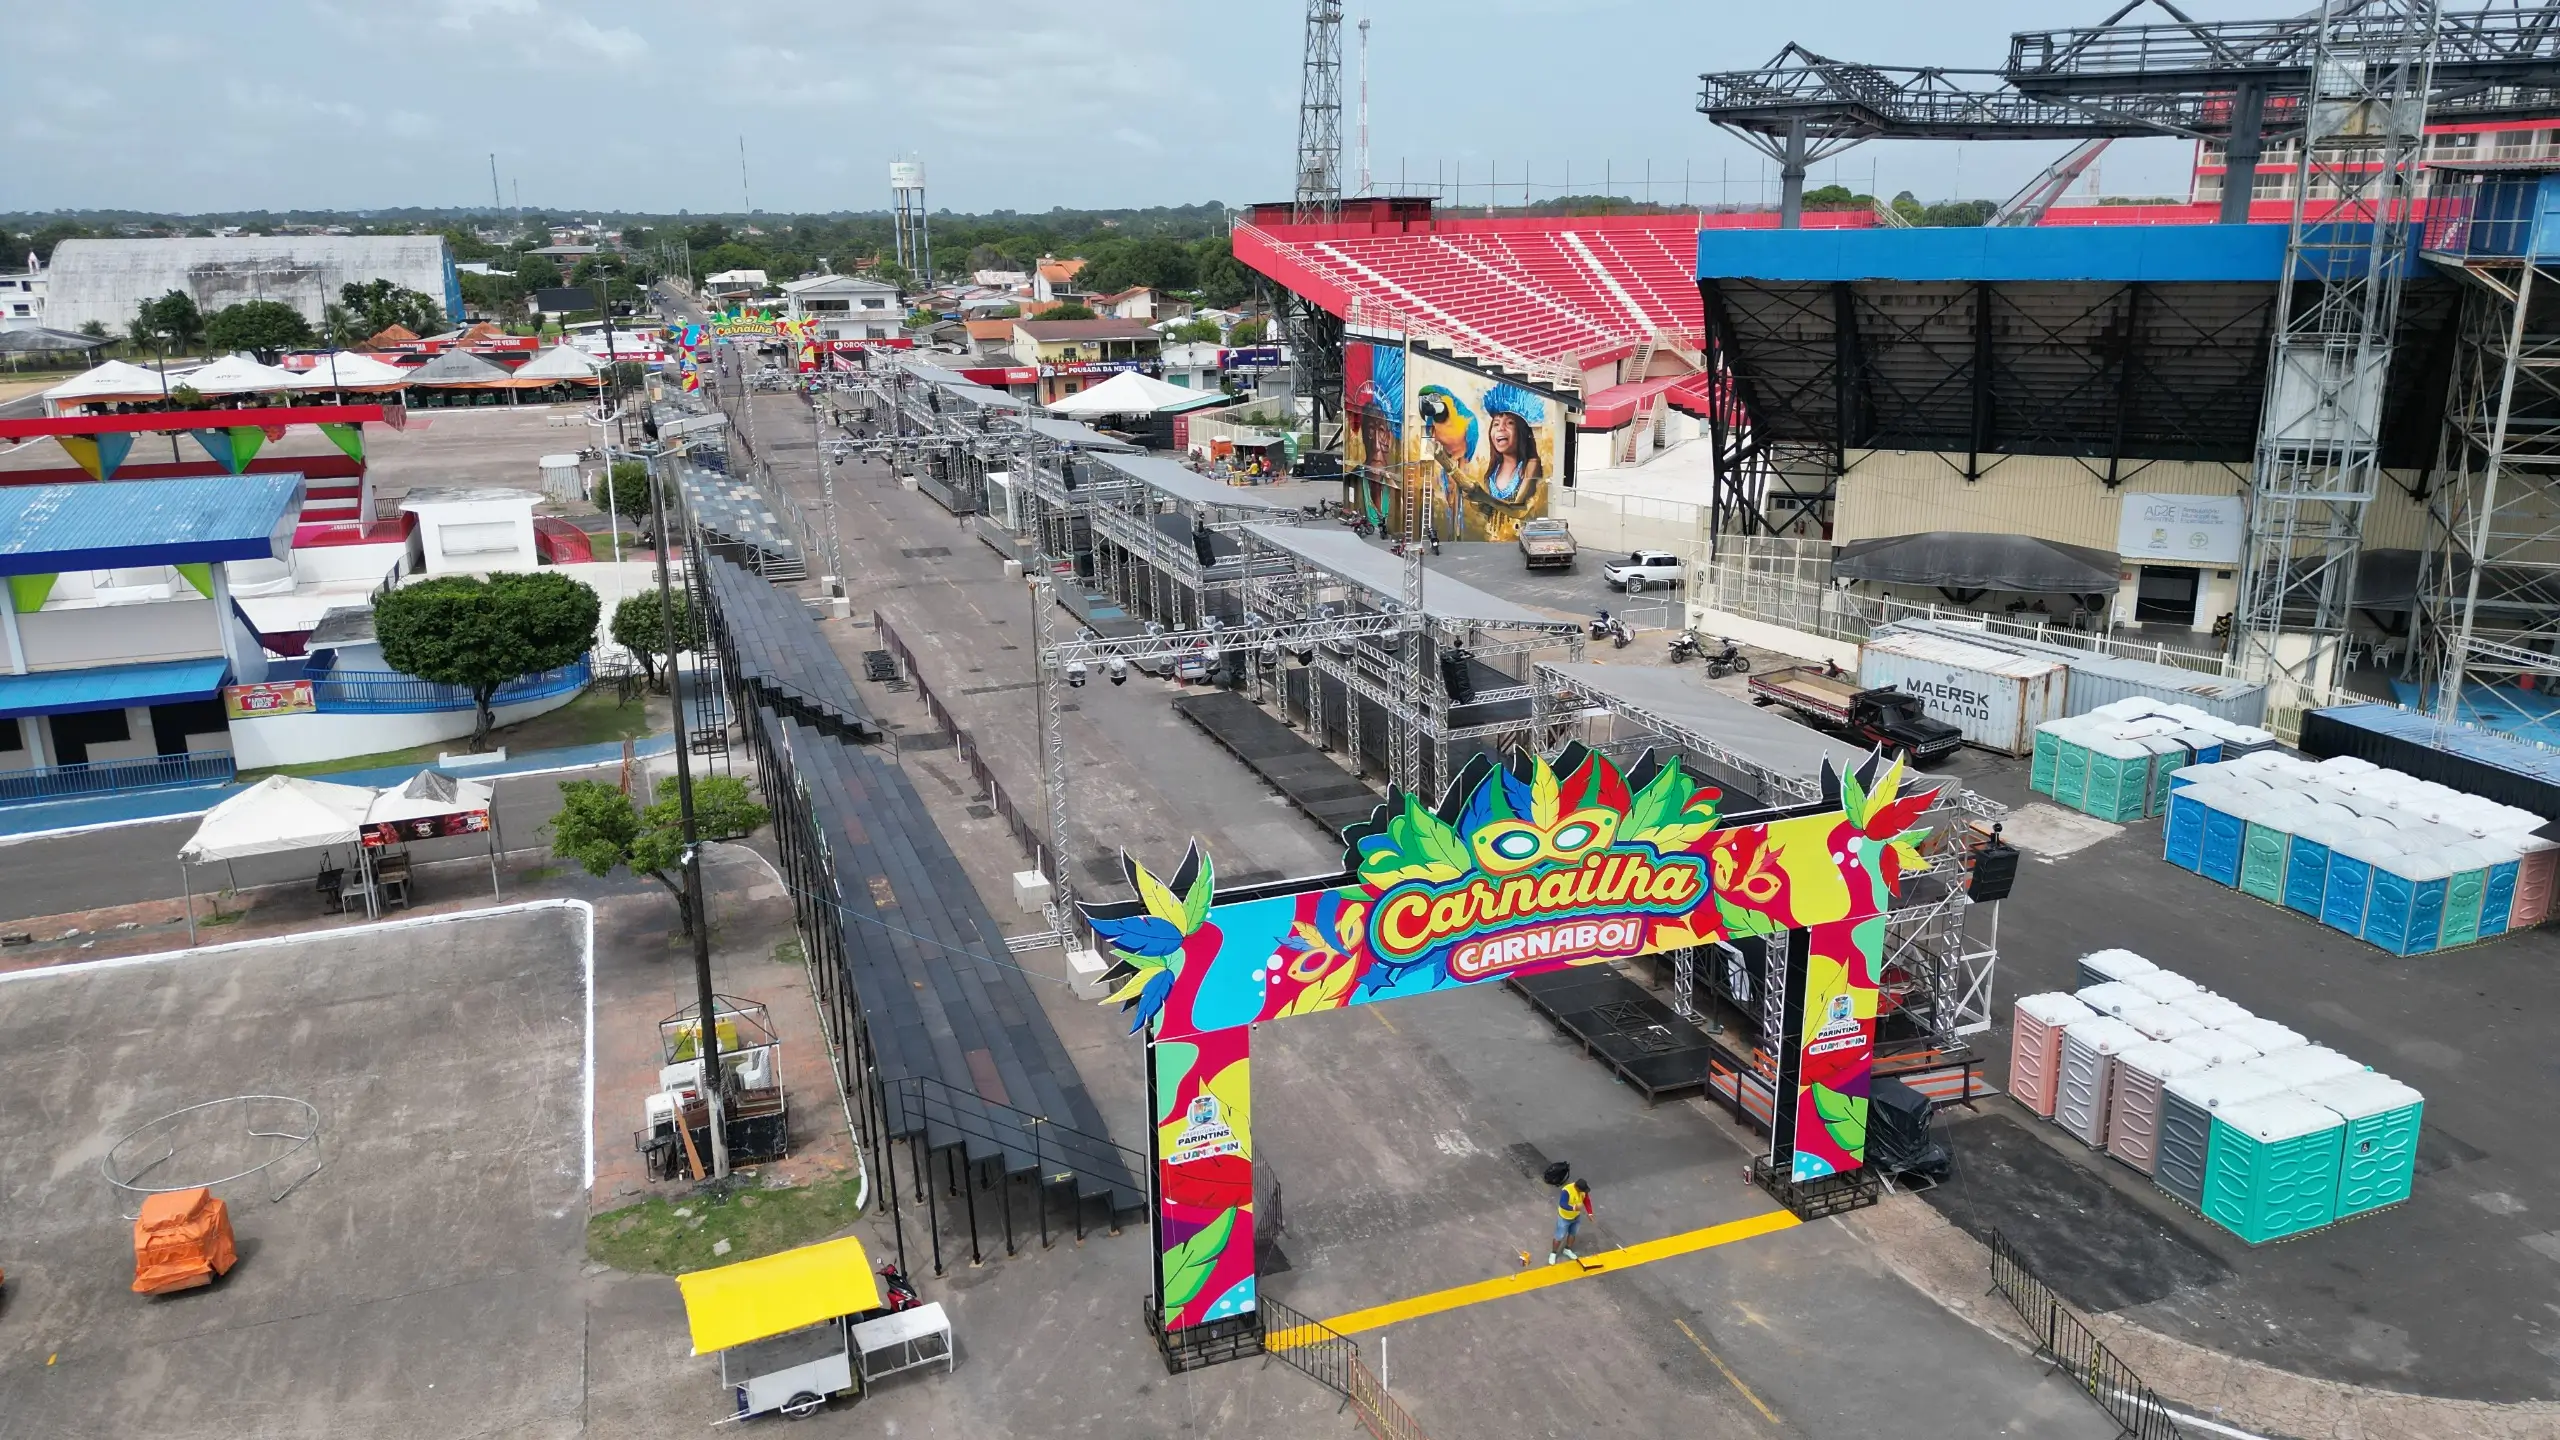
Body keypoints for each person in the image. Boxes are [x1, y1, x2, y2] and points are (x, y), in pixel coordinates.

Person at [1543, 1160, 1594, 1265]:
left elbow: (1587, 1200)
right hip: (1564, 1217)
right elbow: (1563, 1204)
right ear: (1576, 1187)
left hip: (1576, 1217)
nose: (1583, 1192)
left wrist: (1590, 1213)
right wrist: (1574, 1207)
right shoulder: (1567, 1190)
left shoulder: (1583, 1191)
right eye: (1582, 1190)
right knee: (1559, 1236)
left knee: (1572, 1234)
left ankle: (1567, 1249)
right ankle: (1553, 1253)